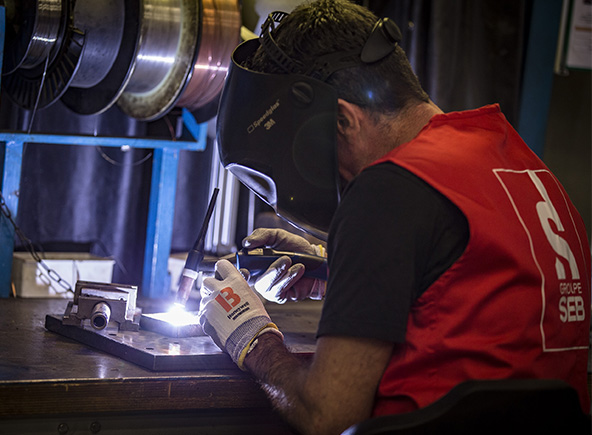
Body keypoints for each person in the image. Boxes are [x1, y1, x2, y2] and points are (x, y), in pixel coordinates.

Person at [198, 1, 591, 434]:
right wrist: (336, 266)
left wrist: (250, 336)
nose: (341, 180)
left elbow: (326, 415)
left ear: (344, 120)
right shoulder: (519, 164)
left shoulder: (389, 187)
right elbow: (474, 294)